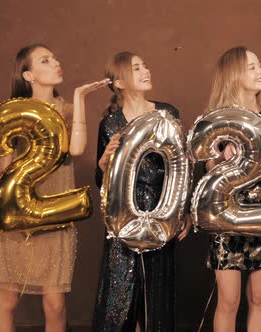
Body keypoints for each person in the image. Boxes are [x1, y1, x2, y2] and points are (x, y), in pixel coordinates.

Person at [0, 43, 107, 332]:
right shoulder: (13, 114)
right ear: (29, 75)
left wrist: (80, 96)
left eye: (55, 58)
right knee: (8, 297)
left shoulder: (70, 110)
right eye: (45, 60)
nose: (56, 63)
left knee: (55, 304)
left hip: (54, 216)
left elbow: (77, 147)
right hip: (16, 217)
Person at [92, 51, 191, 332]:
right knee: (121, 298)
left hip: (163, 217)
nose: (146, 70)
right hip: (124, 222)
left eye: (145, 65)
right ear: (120, 82)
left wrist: (184, 213)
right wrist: (102, 164)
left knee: (155, 300)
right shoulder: (110, 124)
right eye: (137, 68)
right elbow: (103, 184)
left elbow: (181, 167)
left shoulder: (167, 113)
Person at [203, 46, 261, 332]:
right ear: (234, 74)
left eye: (259, 64)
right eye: (251, 67)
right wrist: (221, 159)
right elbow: (205, 167)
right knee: (229, 300)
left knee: (259, 298)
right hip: (228, 217)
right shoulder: (218, 118)